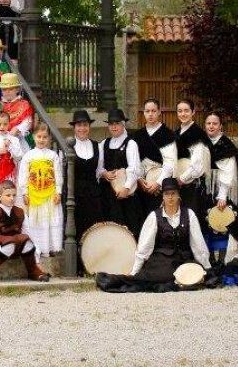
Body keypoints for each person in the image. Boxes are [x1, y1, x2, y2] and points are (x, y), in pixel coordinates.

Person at [97, 177, 213, 292]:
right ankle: (117, 280)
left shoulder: (189, 214)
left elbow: (198, 244)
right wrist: (134, 272)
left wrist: (207, 268)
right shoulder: (154, 217)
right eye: (167, 194)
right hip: (162, 261)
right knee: (162, 277)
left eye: (173, 193)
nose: (170, 197)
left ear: (178, 195)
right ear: (163, 196)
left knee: (192, 274)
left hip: (183, 260)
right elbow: (144, 247)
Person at [0, 180, 49, 284]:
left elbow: (29, 235)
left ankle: (33, 270)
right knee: (10, 242)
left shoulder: (20, 212)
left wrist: (36, 260)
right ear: (0, 196)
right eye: (8, 195)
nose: (12, 198)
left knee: (25, 239)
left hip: (16, 247)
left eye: (14, 195)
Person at [17, 123, 63, 257]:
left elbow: (58, 175)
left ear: (49, 138)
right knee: (37, 221)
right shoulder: (28, 156)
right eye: (39, 137)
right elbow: (23, 176)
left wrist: (58, 191)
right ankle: (38, 248)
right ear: (33, 137)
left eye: (45, 137)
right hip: (34, 194)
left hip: (49, 194)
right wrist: (25, 192)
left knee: (50, 220)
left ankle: (51, 248)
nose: (41, 140)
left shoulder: (53, 156)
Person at [99, 108, 144, 237]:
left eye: (117, 123)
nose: (114, 127)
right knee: (112, 227)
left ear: (123, 124)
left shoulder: (131, 144)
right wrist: (104, 174)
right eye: (111, 124)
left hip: (127, 195)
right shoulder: (104, 144)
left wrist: (126, 188)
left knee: (129, 226)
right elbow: (99, 167)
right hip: (109, 195)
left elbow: (134, 169)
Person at [203, 111, 238, 261]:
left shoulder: (226, 145)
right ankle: (209, 257)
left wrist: (222, 195)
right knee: (206, 221)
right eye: (208, 123)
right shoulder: (202, 143)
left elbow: (229, 171)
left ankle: (224, 258)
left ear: (221, 127)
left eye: (215, 123)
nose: (211, 126)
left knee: (222, 222)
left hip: (221, 190)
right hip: (205, 188)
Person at [132, 98, 178, 215]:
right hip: (141, 186)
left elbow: (170, 163)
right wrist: (139, 179)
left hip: (161, 186)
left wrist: (158, 182)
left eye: (153, 111)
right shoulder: (137, 136)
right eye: (147, 111)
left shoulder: (168, 134)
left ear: (159, 112)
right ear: (144, 113)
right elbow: (134, 161)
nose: (150, 114)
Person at [174, 99, 211, 228]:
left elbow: (198, 166)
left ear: (193, 112)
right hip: (178, 186)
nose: (183, 114)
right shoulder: (175, 134)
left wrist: (181, 179)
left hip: (193, 187)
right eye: (180, 111)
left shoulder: (198, 134)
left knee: (192, 223)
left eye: (186, 111)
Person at [70, 109, 106, 241]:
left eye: (85, 125)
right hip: (76, 196)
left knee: (95, 229)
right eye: (79, 125)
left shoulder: (97, 146)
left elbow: (99, 170)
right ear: (74, 127)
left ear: (89, 127)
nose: (82, 128)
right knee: (79, 229)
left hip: (94, 195)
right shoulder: (68, 146)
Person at [0, 73, 34, 146]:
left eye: (11, 89)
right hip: (1, 138)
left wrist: (17, 129)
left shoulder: (24, 104)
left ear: (17, 89)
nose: (7, 92)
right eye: (4, 89)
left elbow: (28, 121)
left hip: (18, 139)